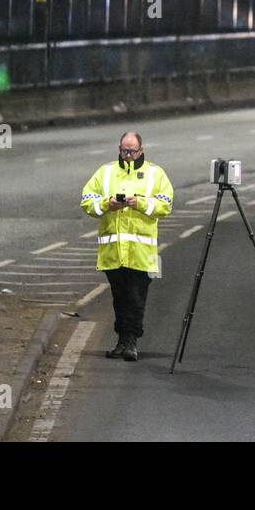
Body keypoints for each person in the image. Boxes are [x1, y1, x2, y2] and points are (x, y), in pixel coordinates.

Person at [80, 131, 174, 361]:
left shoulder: (155, 173)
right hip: (113, 252)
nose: (128, 155)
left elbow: (166, 204)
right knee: (119, 298)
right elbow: (86, 200)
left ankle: (131, 341)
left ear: (141, 150)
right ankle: (122, 341)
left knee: (136, 298)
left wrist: (140, 203)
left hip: (142, 252)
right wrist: (107, 203)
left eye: (132, 151)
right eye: (124, 150)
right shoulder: (106, 172)